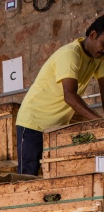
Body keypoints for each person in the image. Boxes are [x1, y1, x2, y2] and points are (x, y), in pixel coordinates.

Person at [16, 15, 104, 176]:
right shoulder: (70, 54)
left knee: (54, 177)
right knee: (27, 178)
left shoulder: (99, 58)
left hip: (56, 129)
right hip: (33, 124)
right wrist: (100, 122)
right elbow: (69, 96)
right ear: (93, 35)